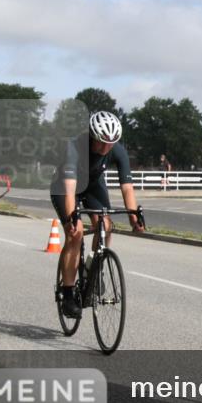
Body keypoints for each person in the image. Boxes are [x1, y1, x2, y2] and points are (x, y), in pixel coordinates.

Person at [50, 111, 144, 318]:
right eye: (101, 142)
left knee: (106, 225)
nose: (105, 148)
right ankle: (67, 294)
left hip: (93, 185)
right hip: (65, 188)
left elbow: (127, 188)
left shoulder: (117, 150)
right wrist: (73, 218)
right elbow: (69, 189)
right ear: (92, 135)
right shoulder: (74, 148)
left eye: (110, 144)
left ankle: (93, 269)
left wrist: (134, 219)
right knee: (76, 233)